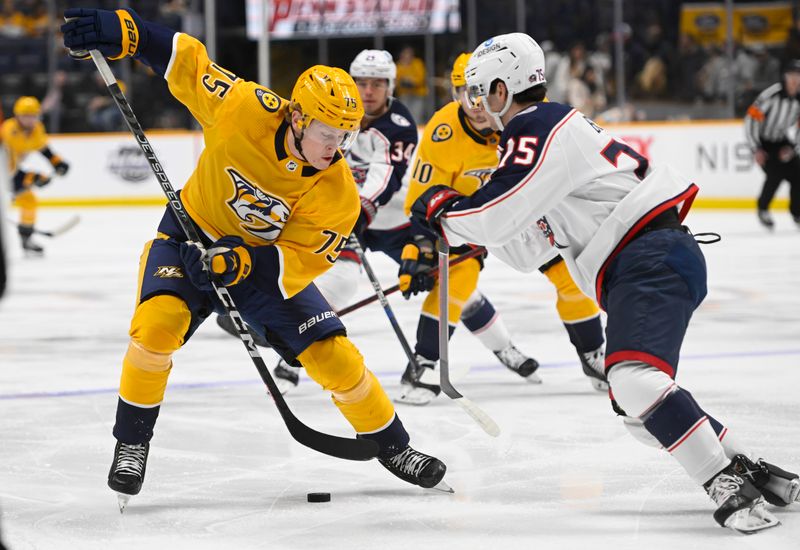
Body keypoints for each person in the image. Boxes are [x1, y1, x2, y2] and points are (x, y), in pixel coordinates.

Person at [410, 32, 799, 533]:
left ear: (504, 90)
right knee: (636, 408)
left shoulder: (537, 125)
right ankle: (751, 468)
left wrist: (444, 211)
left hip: (648, 255)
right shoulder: (539, 143)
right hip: (642, 261)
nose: (479, 104)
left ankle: (724, 480)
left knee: (633, 379)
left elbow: (494, 215)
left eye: (483, 91)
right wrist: (461, 236)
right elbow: (525, 246)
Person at [61, 7, 448, 507]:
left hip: (260, 268)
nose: (338, 147)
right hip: (188, 236)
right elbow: (188, 62)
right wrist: (127, 33)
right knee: (156, 329)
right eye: (328, 133)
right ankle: (132, 442)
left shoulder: (338, 194)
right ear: (298, 116)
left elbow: (300, 260)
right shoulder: (245, 106)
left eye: (346, 136)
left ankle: (395, 446)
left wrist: (241, 262)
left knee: (332, 354)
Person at [271, 49, 542, 404]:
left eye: (378, 84)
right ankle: (290, 358)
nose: (369, 92)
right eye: (362, 83)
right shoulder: (330, 115)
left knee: (455, 285)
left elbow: (385, 175)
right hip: (342, 216)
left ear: (391, 87)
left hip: (392, 221)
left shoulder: (398, 124)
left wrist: (362, 210)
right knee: (339, 281)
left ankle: (505, 348)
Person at [399, 52, 608, 402]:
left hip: (528, 214)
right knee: (458, 283)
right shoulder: (443, 131)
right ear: (454, 94)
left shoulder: (519, 118)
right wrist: (419, 245)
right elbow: (422, 198)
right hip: (470, 219)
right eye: (467, 93)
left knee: (571, 277)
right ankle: (424, 362)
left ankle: (593, 355)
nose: (477, 104)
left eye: (482, 93)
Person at [0, 96, 70, 254]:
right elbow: (7, 175)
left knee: (28, 201)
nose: (31, 120)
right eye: (26, 116)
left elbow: (43, 148)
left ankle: (26, 239)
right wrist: (32, 178)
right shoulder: (8, 132)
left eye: (33, 115)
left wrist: (57, 162)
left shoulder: (36, 128)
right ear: (17, 116)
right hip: (3, 172)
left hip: (8, 171)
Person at [744, 59, 800, 230]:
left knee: (798, 173)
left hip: (782, 141)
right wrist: (756, 148)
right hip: (764, 142)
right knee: (775, 174)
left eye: (798, 76)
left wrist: (793, 148)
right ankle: (763, 209)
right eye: (792, 75)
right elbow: (751, 120)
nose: (795, 80)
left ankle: (796, 212)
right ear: (784, 76)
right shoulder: (771, 95)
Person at [395, 45, 428, 123]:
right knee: (405, 116)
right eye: (405, 54)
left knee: (417, 115)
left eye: (409, 54)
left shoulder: (417, 63)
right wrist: (404, 80)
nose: (407, 56)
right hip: (404, 94)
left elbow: (421, 78)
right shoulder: (399, 65)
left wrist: (411, 80)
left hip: (418, 94)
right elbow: (396, 80)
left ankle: (417, 133)